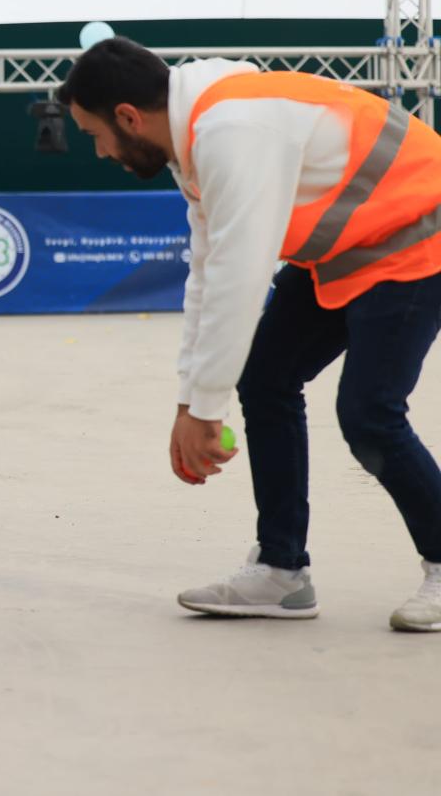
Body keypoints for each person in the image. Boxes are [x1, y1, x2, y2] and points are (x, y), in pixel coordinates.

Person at [58, 37, 441, 631]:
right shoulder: (196, 139)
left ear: (128, 117)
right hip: (348, 249)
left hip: (419, 232)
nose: (102, 151)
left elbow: (241, 276)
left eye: (95, 134)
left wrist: (204, 412)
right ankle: (282, 573)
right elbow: (207, 271)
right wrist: (191, 399)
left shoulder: (232, 131)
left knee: (369, 413)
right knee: (265, 379)